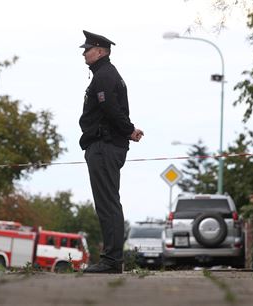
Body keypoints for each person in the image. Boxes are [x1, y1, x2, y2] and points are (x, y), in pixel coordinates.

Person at [79, 30, 144, 274]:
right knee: (108, 202)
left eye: (88, 49)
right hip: (105, 145)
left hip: (104, 146)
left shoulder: (104, 75)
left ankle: (112, 260)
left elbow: (109, 107)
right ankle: (112, 259)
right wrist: (128, 130)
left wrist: (128, 130)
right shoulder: (105, 74)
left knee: (107, 204)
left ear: (101, 51)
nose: (84, 53)